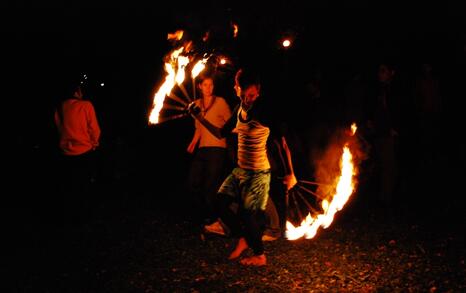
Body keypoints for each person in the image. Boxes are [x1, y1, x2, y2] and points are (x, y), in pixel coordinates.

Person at [188, 67, 296, 266]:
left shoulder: (264, 111)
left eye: (252, 95)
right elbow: (221, 133)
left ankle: (259, 254)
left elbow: (281, 143)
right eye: (244, 93)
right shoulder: (239, 109)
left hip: (258, 173)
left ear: (258, 92)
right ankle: (244, 237)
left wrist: (290, 173)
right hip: (241, 171)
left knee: (248, 215)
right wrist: (200, 118)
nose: (248, 99)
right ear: (237, 89)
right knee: (219, 202)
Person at [186, 72, 232, 228]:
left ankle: (215, 220)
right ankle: (206, 215)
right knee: (192, 182)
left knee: (210, 187)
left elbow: (230, 124)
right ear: (199, 86)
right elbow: (198, 128)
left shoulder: (220, 102)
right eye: (205, 84)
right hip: (202, 149)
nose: (208, 88)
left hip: (217, 148)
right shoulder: (196, 104)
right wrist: (193, 143)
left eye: (211, 84)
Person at [54, 84, 101, 226]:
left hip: (66, 153)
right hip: (84, 152)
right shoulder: (86, 105)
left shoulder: (60, 107)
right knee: (85, 185)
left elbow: (58, 128)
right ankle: (85, 217)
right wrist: (94, 144)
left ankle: (72, 217)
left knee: (71, 186)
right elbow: (94, 129)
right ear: (77, 92)